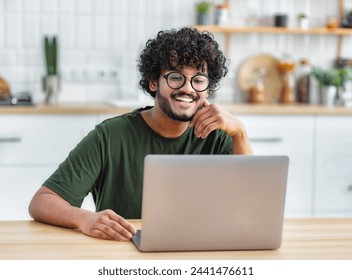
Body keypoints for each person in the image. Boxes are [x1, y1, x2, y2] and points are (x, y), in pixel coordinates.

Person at [29, 27, 252, 242]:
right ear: (154, 82)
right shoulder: (110, 136)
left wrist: (240, 133)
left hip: (200, 249)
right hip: (123, 249)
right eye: (176, 77)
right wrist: (84, 219)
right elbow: (42, 202)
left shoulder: (218, 136)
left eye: (199, 80)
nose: (188, 88)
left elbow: (251, 207)